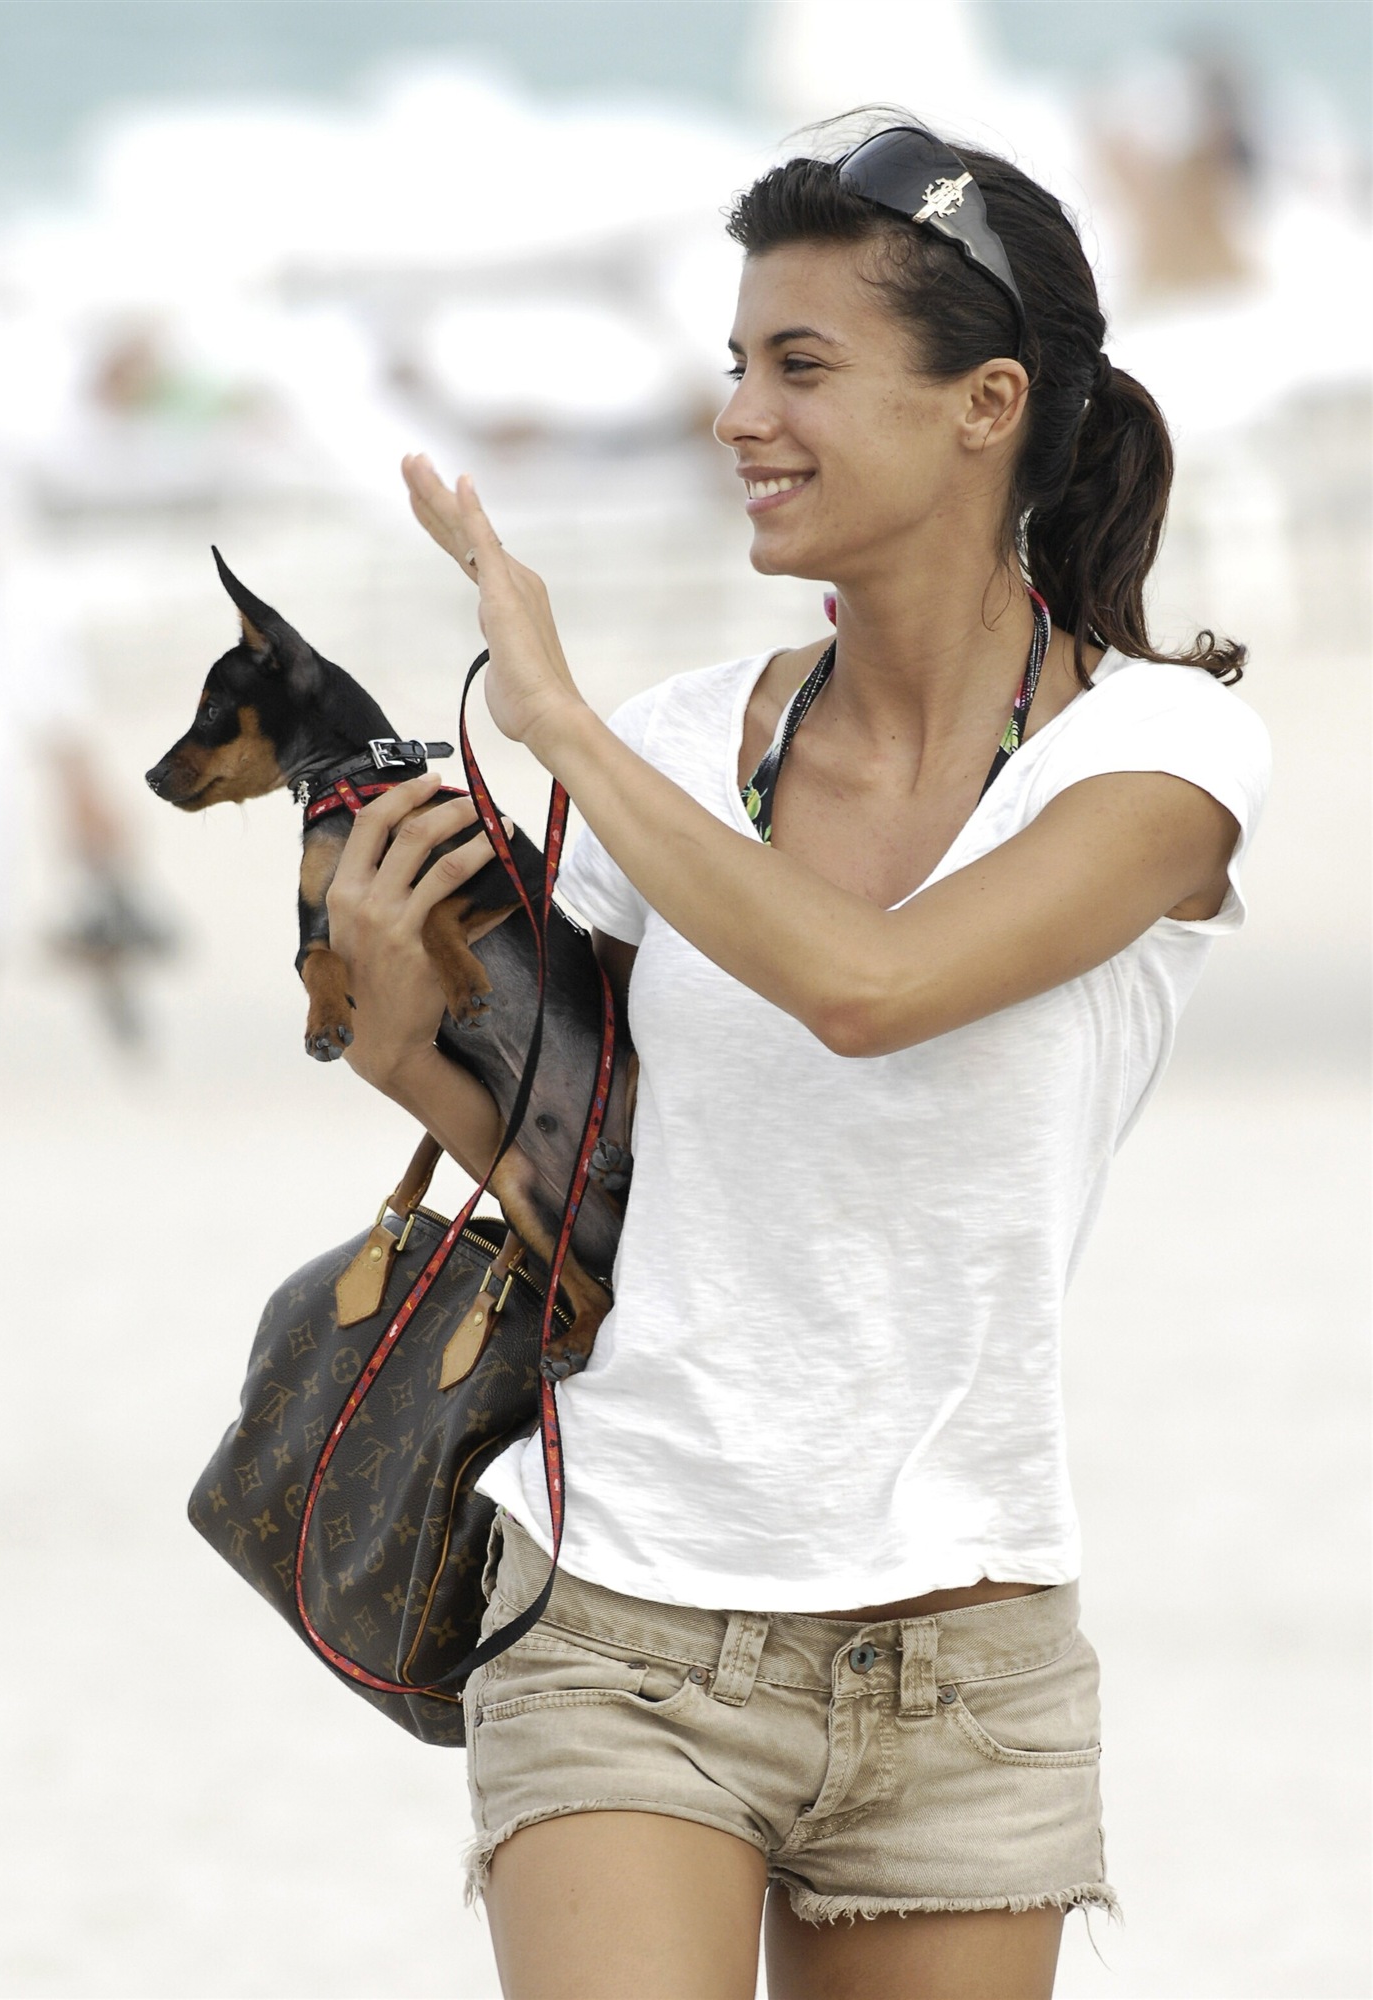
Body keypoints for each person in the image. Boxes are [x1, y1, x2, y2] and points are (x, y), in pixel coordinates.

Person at [324, 119, 1271, 2000]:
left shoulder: (1162, 762)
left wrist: (564, 731)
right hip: (621, 1615)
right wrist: (393, 1022)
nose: (738, 413)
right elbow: (575, 1174)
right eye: (735, 363)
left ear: (986, 402)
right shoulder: (680, 748)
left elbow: (873, 988)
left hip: (964, 1666)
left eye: (801, 366)